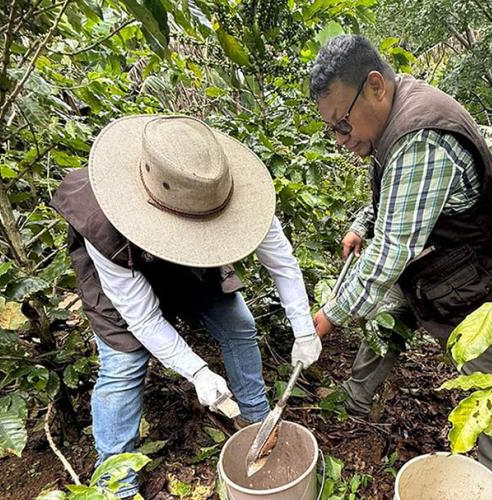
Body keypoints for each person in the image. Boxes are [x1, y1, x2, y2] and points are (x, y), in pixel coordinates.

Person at [50, 114, 321, 498]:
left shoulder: (227, 190)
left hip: (194, 266)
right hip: (127, 262)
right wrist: (198, 372)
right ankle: (116, 483)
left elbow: (282, 263)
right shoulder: (104, 218)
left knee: (239, 323)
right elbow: (143, 318)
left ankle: (256, 420)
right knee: (124, 363)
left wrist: (304, 330)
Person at [309, 35, 492, 496]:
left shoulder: (421, 137)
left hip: (475, 273)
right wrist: (362, 223)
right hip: (434, 262)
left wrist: (326, 318)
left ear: (375, 86)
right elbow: (398, 197)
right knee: (386, 314)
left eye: (342, 124)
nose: (341, 140)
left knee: (487, 379)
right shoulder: (396, 111)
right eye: (333, 130)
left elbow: (391, 251)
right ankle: (355, 399)